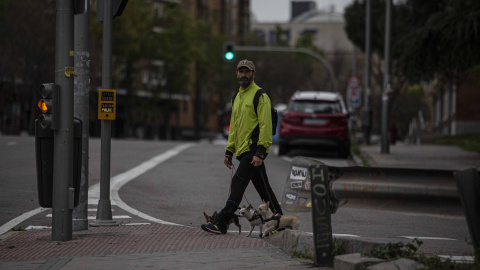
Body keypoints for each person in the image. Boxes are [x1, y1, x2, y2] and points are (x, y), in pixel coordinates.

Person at [201, 59, 283, 234]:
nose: (244, 75)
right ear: (236, 74)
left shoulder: (260, 96)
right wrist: (229, 151)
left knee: (237, 182)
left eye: (247, 72)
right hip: (243, 151)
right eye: (241, 71)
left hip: (254, 150)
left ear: (254, 74)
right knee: (264, 188)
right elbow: (235, 126)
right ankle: (280, 221)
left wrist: (260, 153)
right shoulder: (236, 97)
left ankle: (221, 223)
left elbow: (266, 126)